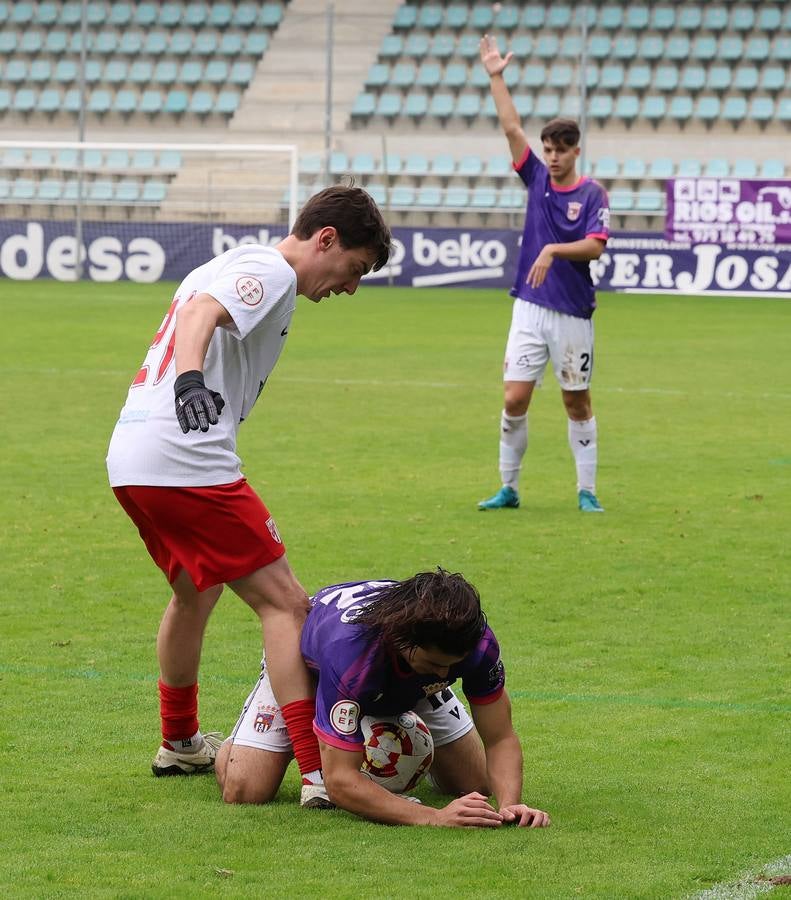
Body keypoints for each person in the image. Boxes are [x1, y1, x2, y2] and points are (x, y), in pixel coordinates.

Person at [106, 185, 391, 804]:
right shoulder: (271, 269)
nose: (350, 287)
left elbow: (199, 306)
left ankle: (179, 741)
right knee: (287, 606)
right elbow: (199, 314)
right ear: (326, 239)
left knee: (194, 592)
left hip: (131, 458)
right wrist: (188, 381)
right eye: (355, 268)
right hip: (187, 461)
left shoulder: (235, 261)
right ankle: (319, 775)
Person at [216, 570, 551, 829]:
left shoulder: (476, 646)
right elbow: (340, 782)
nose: (443, 674)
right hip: (311, 670)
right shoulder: (352, 656)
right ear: (404, 640)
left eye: (452, 666)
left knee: (474, 783)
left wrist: (510, 805)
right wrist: (433, 817)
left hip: (399, 680)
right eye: (435, 663)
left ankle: (384, 714)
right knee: (245, 789)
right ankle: (234, 747)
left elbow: (500, 737)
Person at [477, 35, 610, 513]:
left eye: (560, 150)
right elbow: (511, 126)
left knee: (576, 402)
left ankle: (586, 490)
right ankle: (509, 488)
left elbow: (595, 246)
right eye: (547, 149)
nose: (551, 156)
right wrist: (496, 76)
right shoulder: (534, 178)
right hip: (529, 308)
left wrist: (554, 248)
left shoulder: (593, 194)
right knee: (514, 399)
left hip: (572, 313)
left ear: (576, 152)